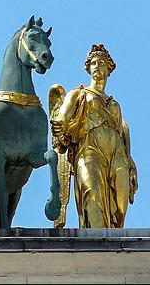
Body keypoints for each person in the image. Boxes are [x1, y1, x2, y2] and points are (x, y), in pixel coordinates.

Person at [51, 44, 138, 228]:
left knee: (120, 209)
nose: (97, 66)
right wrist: (59, 126)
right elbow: (63, 116)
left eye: (101, 63)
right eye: (93, 63)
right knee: (92, 194)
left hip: (118, 156)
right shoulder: (79, 94)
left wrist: (131, 163)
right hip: (89, 152)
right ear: (88, 68)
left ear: (109, 68)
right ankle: (96, 246)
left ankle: (115, 247)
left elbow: (122, 133)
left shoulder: (114, 104)